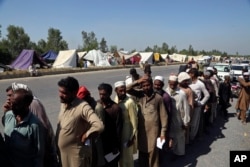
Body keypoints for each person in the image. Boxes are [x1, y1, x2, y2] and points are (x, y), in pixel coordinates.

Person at [3, 83, 59, 167]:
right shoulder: (8, 116)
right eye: (12, 104)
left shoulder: (35, 125)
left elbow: (38, 155)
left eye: (17, 104)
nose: (13, 107)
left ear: (27, 105)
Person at [56, 76, 104, 167]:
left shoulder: (83, 106)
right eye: (60, 91)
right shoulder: (63, 104)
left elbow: (99, 125)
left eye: (64, 93)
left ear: (74, 93)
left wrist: (87, 134)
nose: (60, 95)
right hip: (63, 155)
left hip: (76, 157)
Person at [126, 75, 168, 167]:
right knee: (142, 151)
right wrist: (137, 81)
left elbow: (163, 116)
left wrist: (163, 133)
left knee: (153, 152)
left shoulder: (158, 98)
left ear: (152, 85)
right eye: (144, 85)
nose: (146, 87)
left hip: (154, 131)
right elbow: (127, 89)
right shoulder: (139, 94)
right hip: (142, 130)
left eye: (148, 85)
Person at [95, 83, 123, 167]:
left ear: (110, 94)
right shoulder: (96, 105)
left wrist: (115, 146)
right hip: (99, 144)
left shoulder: (115, 108)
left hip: (111, 145)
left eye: (104, 94)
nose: (101, 96)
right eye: (100, 94)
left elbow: (118, 129)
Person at [113, 81, 138, 167]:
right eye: (120, 91)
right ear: (116, 90)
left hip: (127, 133)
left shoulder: (130, 102)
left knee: (127, 156)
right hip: (118, 133)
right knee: (120, 156)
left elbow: (134, 121)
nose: (123, 92)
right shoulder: (115, 99)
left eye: (124, 90)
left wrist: (132, 137)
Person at [166, 74, 190, 159]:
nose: (172, 86)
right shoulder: (166, 92)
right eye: (170, 84)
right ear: (168, 83)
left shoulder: (182, 94)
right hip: (169, 119)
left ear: (177, 84)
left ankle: (179, 154)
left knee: (179, 137)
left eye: (174, 84)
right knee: (171, 136)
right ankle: (172, 150)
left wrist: (186, 122)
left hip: (179, 119)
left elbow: (186, 109)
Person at [187, 68, 210, 142]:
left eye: (189, 73)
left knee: (194, 123)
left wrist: (200, 103)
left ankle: (191, 138)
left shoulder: (200, 84)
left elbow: (207, 95)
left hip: (196, 106)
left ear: (192, 74)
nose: (188, 75)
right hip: (188, 106)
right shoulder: (188, 82)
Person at [177, 72, 194, 144]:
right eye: (185, 80)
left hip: (184, 113)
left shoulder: (188, 90)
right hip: (176, 111)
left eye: (187, 80)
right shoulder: (176, 87)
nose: (186, 82)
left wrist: (189, 115)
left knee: (184, 129)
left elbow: (190, 104)